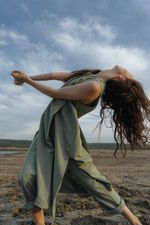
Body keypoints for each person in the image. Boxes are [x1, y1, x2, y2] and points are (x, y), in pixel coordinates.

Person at [10, 65, 150, 225]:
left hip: (68, 141)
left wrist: (27, 81)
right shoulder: (90, 75)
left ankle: (134, 220)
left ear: (121, 78)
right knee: (26, 178)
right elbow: (53, 75)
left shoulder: (95, 87)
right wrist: (26, 77)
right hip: (47, 132)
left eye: (130, 74)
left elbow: (55, 93)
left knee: (93, 181)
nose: (130, 70)